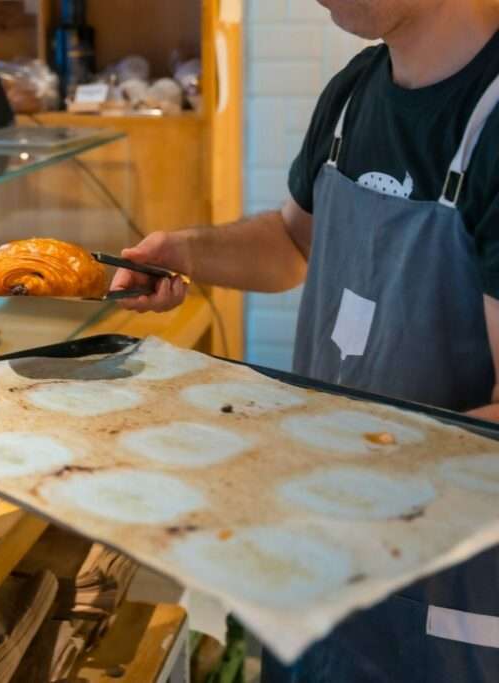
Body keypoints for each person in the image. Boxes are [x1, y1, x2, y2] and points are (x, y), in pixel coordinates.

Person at [111, 0, 499, 681]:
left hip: (442, 602)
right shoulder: (355, 92)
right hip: (321, 569)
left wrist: (303, 467)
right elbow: (295, 242)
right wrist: (185, 253)